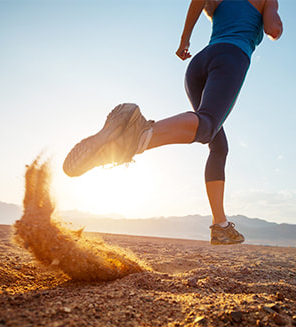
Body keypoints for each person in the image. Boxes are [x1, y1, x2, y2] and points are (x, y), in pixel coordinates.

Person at [63, 0, 283, 245]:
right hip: (232, 57)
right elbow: (272, 28)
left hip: (198, 65)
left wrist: (185, 39)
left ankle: (220, 225)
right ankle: (139, 134)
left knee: (218, 145)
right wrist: (276, 22)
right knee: (208, 124)